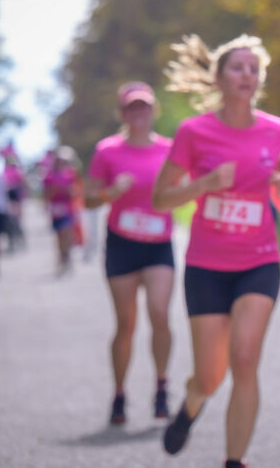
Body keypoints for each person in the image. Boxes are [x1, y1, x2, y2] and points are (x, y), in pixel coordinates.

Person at [153, 34, 280, 468]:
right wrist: (202, 185)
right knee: (211, 376)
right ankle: (191, 405)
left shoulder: (275, 130)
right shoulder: (194, 132)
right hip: (207, 266)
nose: (247, 75)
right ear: (218, 77)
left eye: (254, 69)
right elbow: (161, 197)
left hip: (259, 261)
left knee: (245, 358)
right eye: (238, 67)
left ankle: (234, 461)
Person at [85, 81, 175, 425]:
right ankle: (120, 394)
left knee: (159, 313)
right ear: (122, 113)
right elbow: (90, 199)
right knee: (126, 324)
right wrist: (111, 192)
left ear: (154, 111)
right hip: (122, 243)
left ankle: (162, 386)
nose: (138, 113)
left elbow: (185, 186)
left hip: (158, 245)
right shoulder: (107, 151)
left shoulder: (169, 149)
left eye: (144, 107)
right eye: (132, 108)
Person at [43, 146, 80, 275]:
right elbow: (47, 194)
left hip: (67, 210)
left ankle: (67, 256)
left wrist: (67, 192)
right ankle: (62, 257)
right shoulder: (49, 177)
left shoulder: (69, 175)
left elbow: (74, 192)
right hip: (55, 211)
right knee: (59, 237)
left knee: (67, 234)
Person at [3, 152, 26, 251]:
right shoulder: (6, 171)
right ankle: (14, 240)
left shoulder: (17, 171)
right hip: (10, 197)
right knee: (12, 220)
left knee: (16, 219)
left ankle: (19, 238)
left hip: (15, 196)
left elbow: (22, 184)